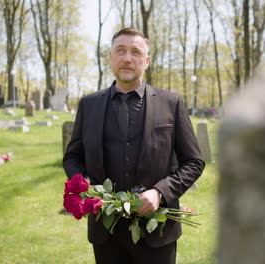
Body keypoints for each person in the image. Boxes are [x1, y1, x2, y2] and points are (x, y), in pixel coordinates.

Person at [63, 28, 205, 264]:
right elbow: (72, 157)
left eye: (136, 52)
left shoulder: (172, 103)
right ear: (110, 57)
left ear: (147, 61)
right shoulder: (89, 105)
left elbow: (194, 161)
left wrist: (160, 193)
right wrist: (85, 185)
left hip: (157, 233)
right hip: (105, 232)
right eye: (120, 51)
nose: (127, 58)